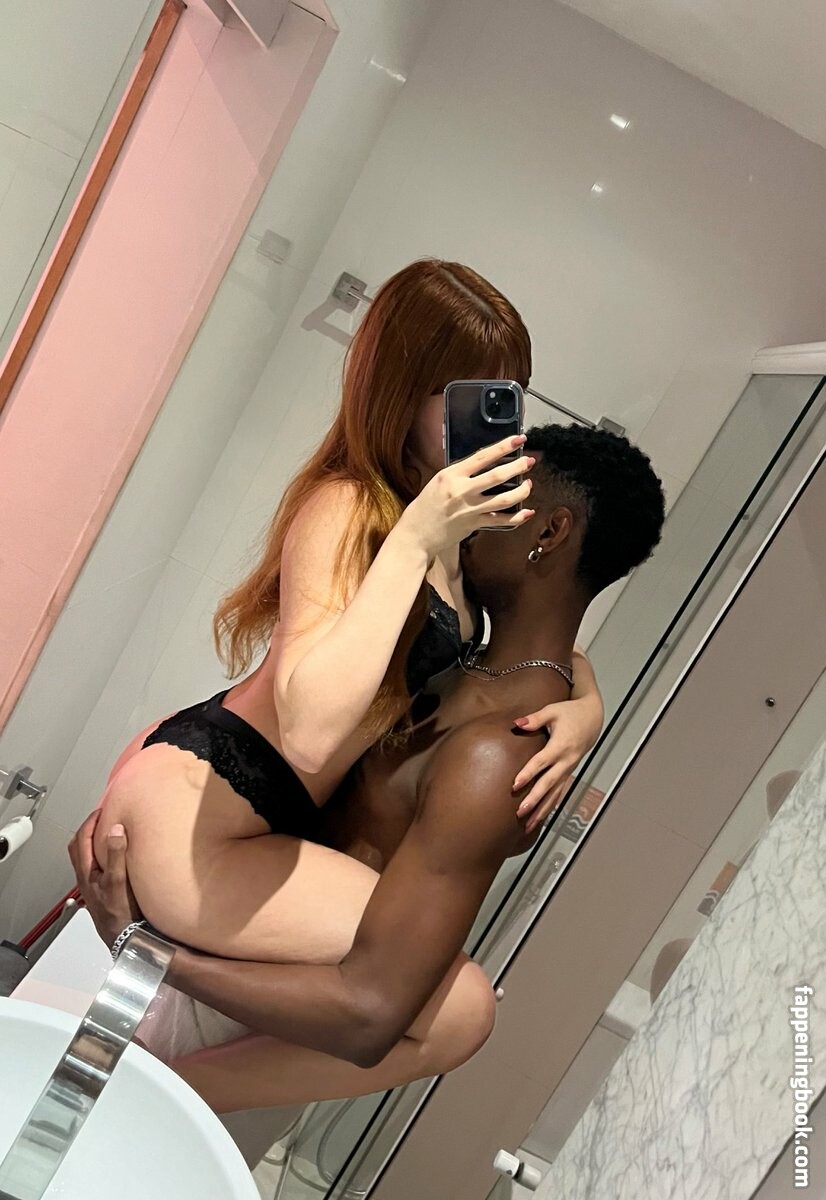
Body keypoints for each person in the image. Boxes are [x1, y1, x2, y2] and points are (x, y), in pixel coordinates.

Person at [70, 421, 666, 1114]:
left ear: (550, 532)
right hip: (215, 934)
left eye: (502, 493)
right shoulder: (464, 659)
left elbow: (369, 1011)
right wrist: (590, 702)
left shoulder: (498, 750)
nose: (471, 502)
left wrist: (142, 946)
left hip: (234, 1014)